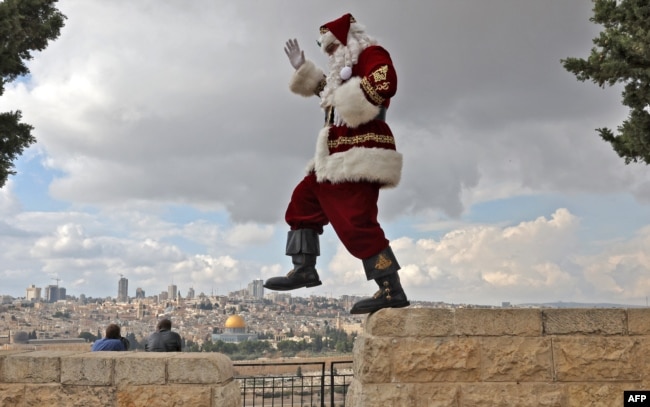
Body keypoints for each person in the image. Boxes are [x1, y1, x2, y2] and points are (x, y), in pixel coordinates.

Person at [263, 13, 409, 314]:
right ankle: (304, 269)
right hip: (331, 157)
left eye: (331, 48)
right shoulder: (346, 67)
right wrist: (303, 70)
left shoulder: (372, 54)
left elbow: (386, 79)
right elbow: (328, 91)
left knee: (356, 222)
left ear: (346, 41)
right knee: (303, 203)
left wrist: (350, 100)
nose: (329, 54)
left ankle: (390, 288)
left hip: (358, 154)